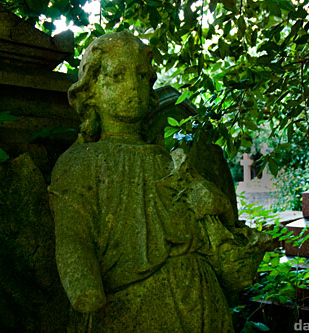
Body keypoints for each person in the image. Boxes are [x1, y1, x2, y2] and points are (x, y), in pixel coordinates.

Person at [49, 31, 269, 332]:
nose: (133, 87)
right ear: (91, 91)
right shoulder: (79, 163)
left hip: (201, 297)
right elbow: (73, 235)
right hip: (130, 306)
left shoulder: (169, 160)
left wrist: (216, 203)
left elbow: (219, 227)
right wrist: (84, 287)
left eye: (141, 76)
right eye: (118, 76)